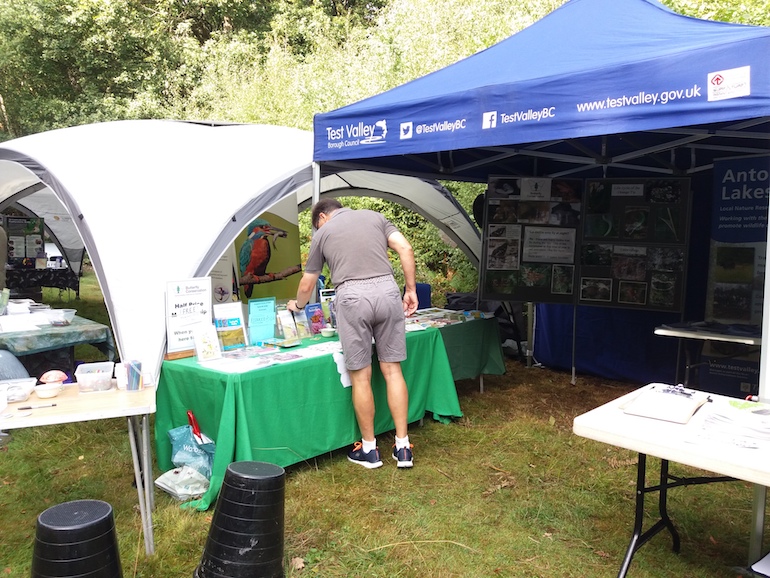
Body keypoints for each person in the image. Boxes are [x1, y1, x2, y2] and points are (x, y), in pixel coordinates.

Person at [287, 199, 419, 469]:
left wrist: (297, 306)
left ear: (321, 217)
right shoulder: (376, 217)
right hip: (387, 291)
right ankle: (403, 447)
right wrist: (410, 290)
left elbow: (307, 283)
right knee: (393, 370)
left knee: (361, 376)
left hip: (352, 296)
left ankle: (369, 450)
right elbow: (405, 248)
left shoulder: (323, 232)